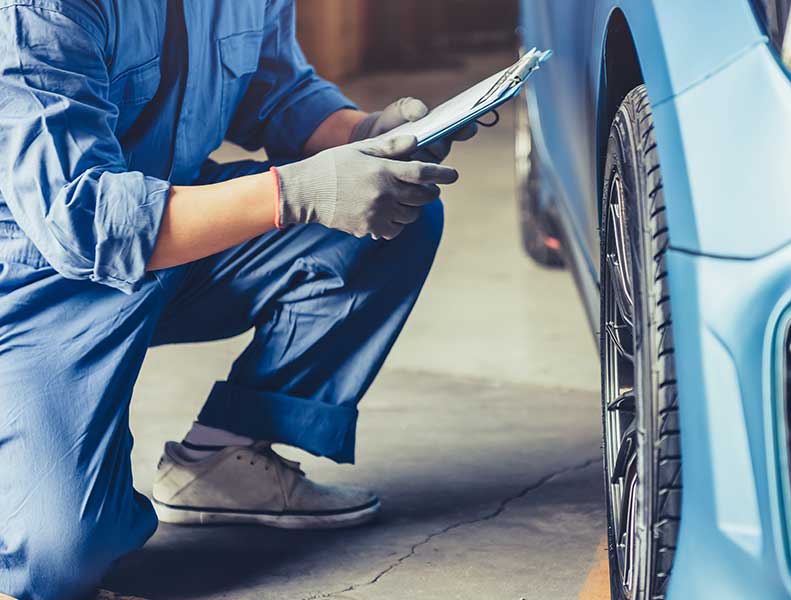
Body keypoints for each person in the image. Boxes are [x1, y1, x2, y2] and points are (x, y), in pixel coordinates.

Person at [0, 1, 476, 598]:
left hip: (181, 231)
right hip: (39, 282)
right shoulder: (38, 10)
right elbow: (83, 217)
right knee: (55, 562)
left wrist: (366, 135)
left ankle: (221, 462)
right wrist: (297, 190)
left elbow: (276, 91)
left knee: (392, 216)